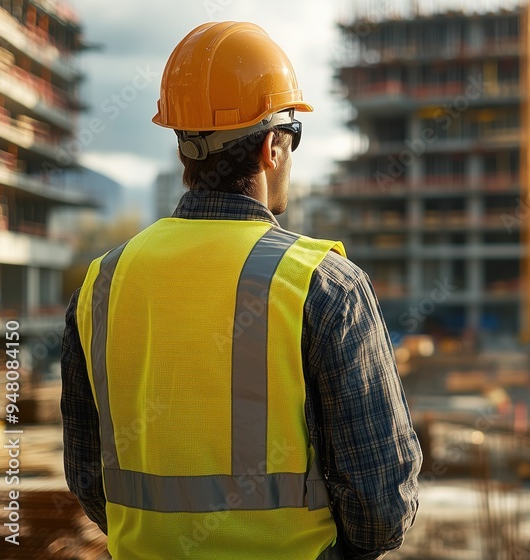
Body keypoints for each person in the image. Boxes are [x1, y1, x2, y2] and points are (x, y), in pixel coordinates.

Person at [60, 22, 421, 560]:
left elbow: (90, 480)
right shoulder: (322, 286)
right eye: (293, 137)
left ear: (185, 149)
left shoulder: (102, 284)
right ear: (273, 147)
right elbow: (379, 511)